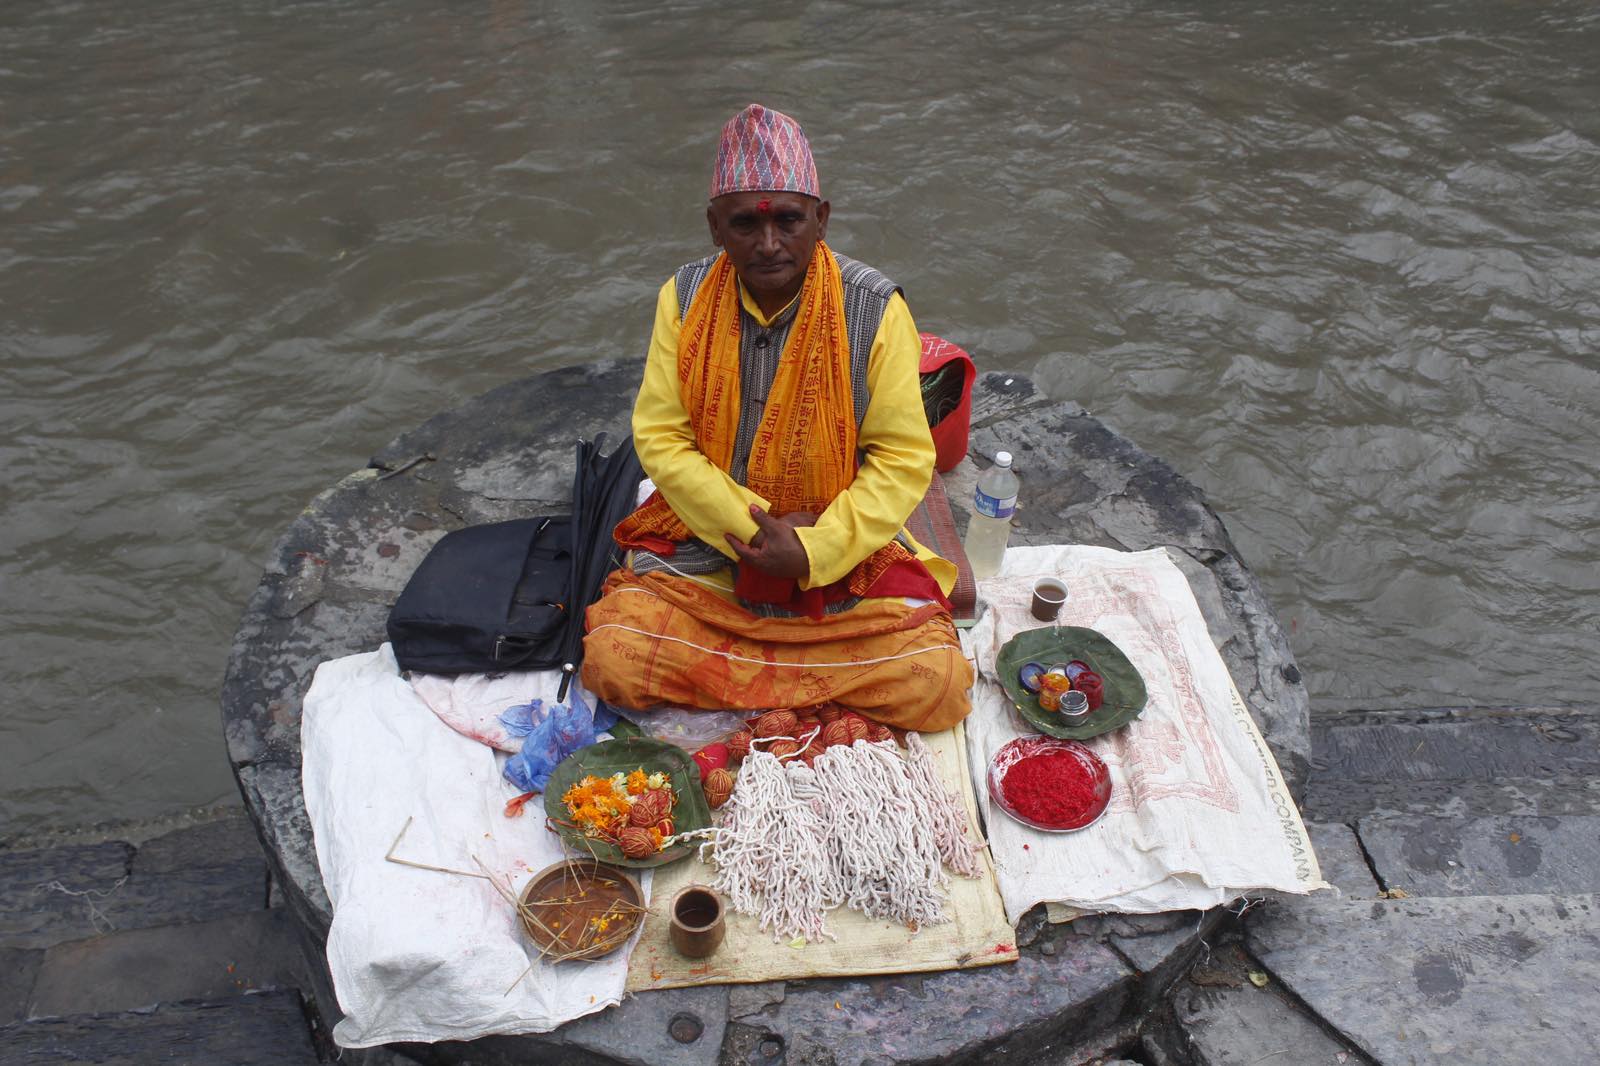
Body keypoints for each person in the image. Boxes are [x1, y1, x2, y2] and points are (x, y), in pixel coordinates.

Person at [580, 104, 972, 733]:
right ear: (714, 227)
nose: (768, 245)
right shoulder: (682, 298)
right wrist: (752, 533)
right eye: (744, 225)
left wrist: (814, 547)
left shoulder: (874, 307)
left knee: (939, 684)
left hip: (839, 545)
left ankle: (745, 684)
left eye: (789, 220)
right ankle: (816, 692)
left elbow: (902, 459)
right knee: (612, 658)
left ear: (821, 219)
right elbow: (661, 435)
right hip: (714, 542)